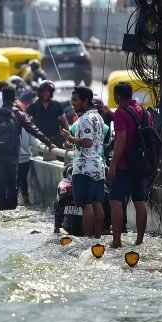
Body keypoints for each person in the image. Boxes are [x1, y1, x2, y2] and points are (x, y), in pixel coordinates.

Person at [0, 86, 58, 210]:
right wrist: (49, 143)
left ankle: (2, 212)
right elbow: (34, 130)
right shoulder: (19, 114)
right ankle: (11, 212)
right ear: (14, 98)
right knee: (12, 185)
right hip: (12, 155)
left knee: (0, 185)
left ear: (3, 98)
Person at [107, 81, 152, 248]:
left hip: (124, 164)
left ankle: (116, 241)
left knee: (116, 201)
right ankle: (139, 241)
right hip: (141, 164)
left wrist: (113, 165)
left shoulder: (120, 112)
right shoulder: (145, 112)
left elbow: (121, 139)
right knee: (140, 201)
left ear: (117, 96)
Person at [60, 86, 105, 238]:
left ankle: (88, 239)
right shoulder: (98, 117)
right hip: (98, 167)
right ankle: (97, 238)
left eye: (75, 100)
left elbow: (87, 142)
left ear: (85, 101)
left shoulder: (85, 119)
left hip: (84, 168)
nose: (72, 104)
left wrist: (69, 138)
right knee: (97, 203)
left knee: (86, 205)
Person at [26, 80, 69, 147]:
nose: (46, 93)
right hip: (40, 140)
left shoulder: (56, 104)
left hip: (57, 138)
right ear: (40, 92)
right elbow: (25, 119)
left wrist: (68, 137)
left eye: (48, 91)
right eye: (43, 91)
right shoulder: (33, 105)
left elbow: (64, 121)